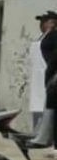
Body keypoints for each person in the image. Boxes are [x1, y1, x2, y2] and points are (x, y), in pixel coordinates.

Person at [27, 11, 56, 146]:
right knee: (38, 107)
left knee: (47, 108)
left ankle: (43, 138)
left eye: (44, 21)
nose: (41, 24)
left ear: (52, 22)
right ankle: (38, 135)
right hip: (38, 76)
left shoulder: (54, 36)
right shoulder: (42, 37)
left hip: (49, 76)